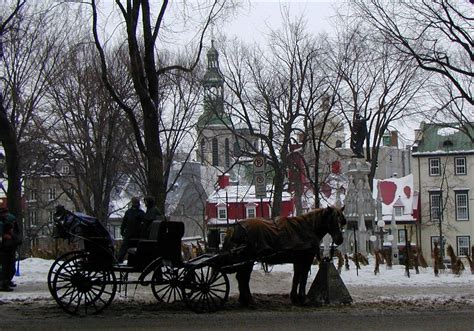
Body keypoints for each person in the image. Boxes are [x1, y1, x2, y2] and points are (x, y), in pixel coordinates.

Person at [116, 197, 145, 263]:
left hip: (130, 234)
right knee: (133, 249)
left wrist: (122, 231)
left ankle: (119, 260)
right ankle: (134, 261)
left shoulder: (129, 212)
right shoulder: (141, 213)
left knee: (124, 248)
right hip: (136, 235)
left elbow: (124, 223)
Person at [0, 208, 21, 292]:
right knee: (6, 267)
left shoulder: (6, 222)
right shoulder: (3, 223)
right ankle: (3, 283)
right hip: (5, 248)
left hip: (8, 247)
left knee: (9, 267)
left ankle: (6, 281)